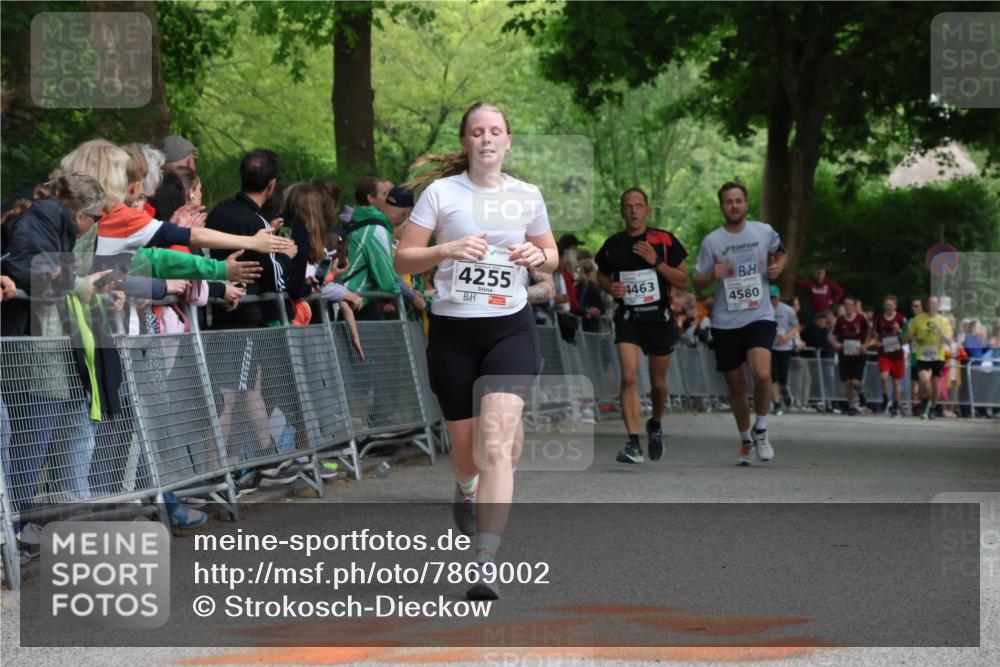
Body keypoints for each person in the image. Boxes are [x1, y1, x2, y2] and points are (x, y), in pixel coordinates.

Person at [395, 101, 558, 600]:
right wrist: (445, 250)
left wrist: (538, 258)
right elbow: (403, 258)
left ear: (508, 141)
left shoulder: (527, 195)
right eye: (477, 131)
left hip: (509, 328)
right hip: (452, 332)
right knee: (466, 459)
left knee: (495, 447)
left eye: (496, 131)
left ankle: (484, 564)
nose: (487, 139)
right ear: (466, 141)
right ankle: (466, 491)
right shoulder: (441, 194)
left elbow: (550, 257)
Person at [693, 181, 786, 465]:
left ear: (746, 204)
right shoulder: (712, 241)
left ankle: (762, 428)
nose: (734, 205)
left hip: (759, 315)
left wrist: (779, 266)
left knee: (761, 373)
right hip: (725, 320)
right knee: (736, 386)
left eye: (738, 200)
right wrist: (712, 276)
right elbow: (696, 282)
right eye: (728, 202)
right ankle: (746, 439)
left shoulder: (763, 231)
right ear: (721, 206)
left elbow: (782, 251)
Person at [596, 188, 688, 464]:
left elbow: (683, 280)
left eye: (638, 205)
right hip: (628, 318)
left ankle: (655, 423)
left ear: (647, 210)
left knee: (659, 385)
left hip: (658, 319)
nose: (633, 210)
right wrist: (611, 287)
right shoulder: (613, 244)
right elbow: (601, 273)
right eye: (628, 206)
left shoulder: (664, 240)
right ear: (622, 211)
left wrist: (655, 261)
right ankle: (634, 443)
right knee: (629, 377)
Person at [904, 295, 953, 420]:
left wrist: (940, 332)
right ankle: (926, 401)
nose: (933, 306)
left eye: (935, 304)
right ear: (927, 305)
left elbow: (949, 341)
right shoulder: (918, 319)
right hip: (923, 356)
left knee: (935, 382)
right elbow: (907, 336)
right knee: (924, 380)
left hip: (938, 356)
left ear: (938, 306)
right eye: (930, 304)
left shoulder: (944, 321)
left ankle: (932, 408)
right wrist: (916, 338)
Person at [828, 296, 870, 415]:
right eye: (845, 304)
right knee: (847, 382)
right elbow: (831, 336)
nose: (848, 307)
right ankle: (852, 405)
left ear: (854, 306)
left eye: (850, 304)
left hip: (858, 353)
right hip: (845, 353)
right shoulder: (840, 320)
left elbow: (869, 334)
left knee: (855, 381)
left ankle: (861, 392)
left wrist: (865, 345)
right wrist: (835, 343)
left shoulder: (861, 319)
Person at [869, 295, 907, 416]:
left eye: (891, 305)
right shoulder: (879, 318)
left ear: (895, 306)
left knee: (896, 382)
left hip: (896, 354)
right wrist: (877, 342)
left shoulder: (901, 318)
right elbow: (874, 333)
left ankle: (896, 404)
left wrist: (899, 330)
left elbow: (907, 337)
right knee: (884, 377)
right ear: (884, 306)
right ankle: (886, 399)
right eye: (887, 305)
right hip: (884, 353)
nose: (889, 307)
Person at [769, 285, 799, 416]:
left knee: (783, 377)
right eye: (770, 297)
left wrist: (786, 337)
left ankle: (785, 391)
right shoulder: (764, 310)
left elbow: (796, 326)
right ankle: (776, 403)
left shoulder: (788, 310)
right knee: (772, 376)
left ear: (778, 297)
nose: (772, 300)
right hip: (770, 347)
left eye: (774, 297)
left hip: (785, 347)